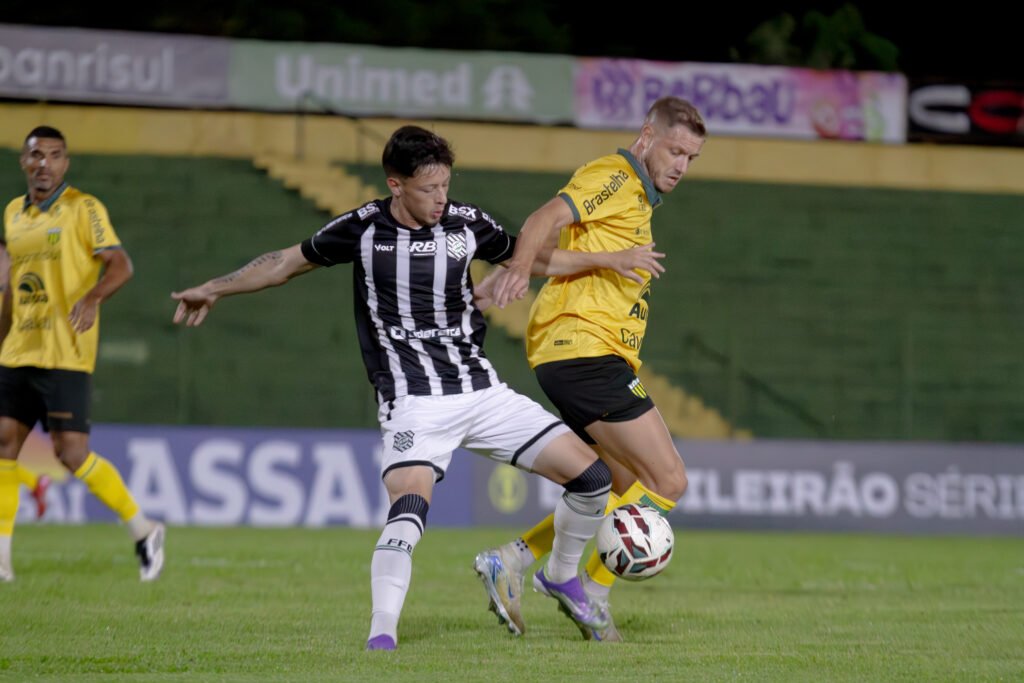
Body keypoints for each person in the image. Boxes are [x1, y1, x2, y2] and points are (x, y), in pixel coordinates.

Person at [170, 125, 663, 650]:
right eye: (429, 189)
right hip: (413, 402)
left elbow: (533, 257)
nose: (440, 198)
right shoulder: (362, 228)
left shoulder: (467, 222)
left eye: (445, 186)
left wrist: (609, 259)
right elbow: (284, 263)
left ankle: (558, 575)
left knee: (593, 478)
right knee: (409, 508)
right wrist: (216, 288)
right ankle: (382, 634)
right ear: (396, 184)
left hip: (482, 393)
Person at [474, 96, 707, 642]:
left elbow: (567, 245)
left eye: (691, 157)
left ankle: (513, 558)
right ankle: (585, 592)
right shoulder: (615, 175)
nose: (681, 165)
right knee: (669, 479)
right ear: (648, 136)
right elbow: (544, 218)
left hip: (579, 353)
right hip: (585, 348)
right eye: (675, 150)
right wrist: (515, 273)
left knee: (617, 485)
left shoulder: (639, 201)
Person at [0, 126, 165, 583]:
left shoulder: (84, 208)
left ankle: (143, 528)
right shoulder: (13, 212)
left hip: (66, 351)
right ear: (23, 162)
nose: (44, 164)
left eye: (54, 156)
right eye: (36, 155)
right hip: (18, 350)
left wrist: (91, 299)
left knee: (71, 453)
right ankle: (2, 559)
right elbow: (14, 285)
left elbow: (121, 264)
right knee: (3, 446)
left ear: (65, 164)